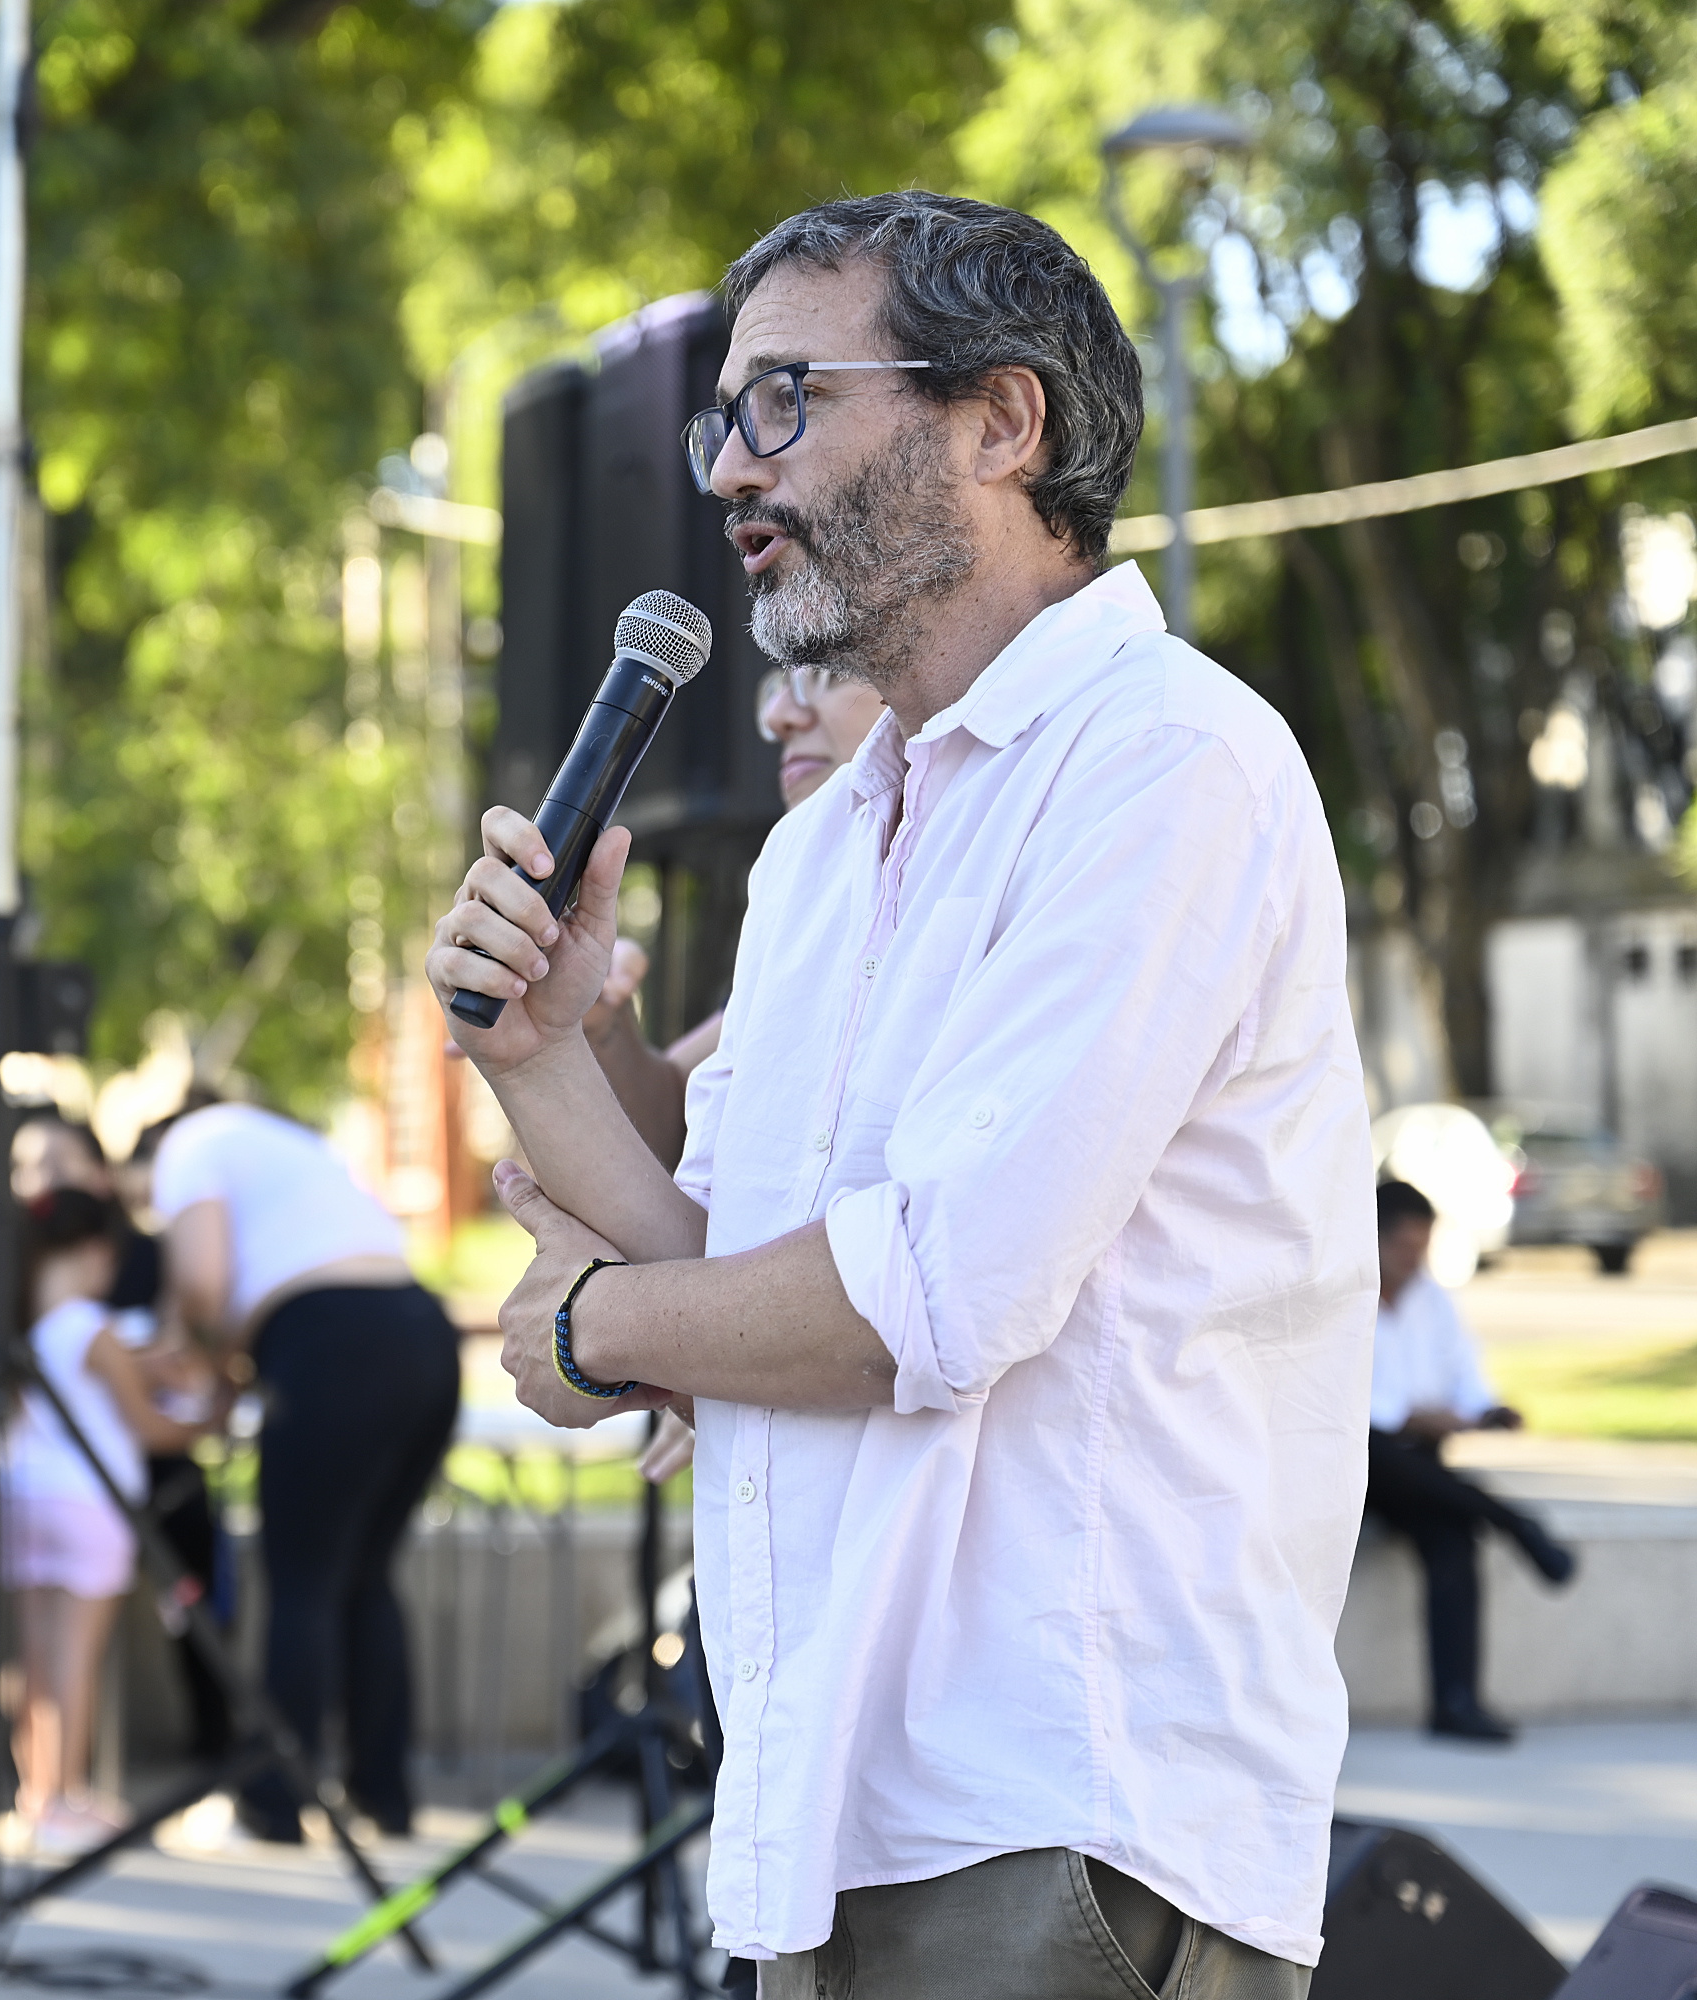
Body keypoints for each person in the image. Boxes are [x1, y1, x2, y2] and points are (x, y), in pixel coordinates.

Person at [429, 192, 1374, 1995]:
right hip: (824, 1815)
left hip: (1063, 1825)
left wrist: (595, 1333)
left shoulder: (1165, 762)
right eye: (723, 415)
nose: (726, 470)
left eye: (784, 399)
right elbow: (736, 1262)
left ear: (1001, 424)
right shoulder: (826, 852)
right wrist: (547, 1047)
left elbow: (925, 1299)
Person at [150, 1098, 461, 1845]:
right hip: (423, 1335)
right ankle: (383, 1795)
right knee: (365, 1576)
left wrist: (191, 1354)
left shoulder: (187, 1144)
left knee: (302, 1582)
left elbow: (201, 1280)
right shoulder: (288, 1141)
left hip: (333, 1344)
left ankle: (272, 1803)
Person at [587, 664, 890, 1164]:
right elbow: (674, 1123)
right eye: (776, 686)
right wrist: (597, 1021)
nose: (778, 716)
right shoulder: (800, 900)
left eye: (830, 672)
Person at [3, 1187, 224, 1850]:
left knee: (32, 1655)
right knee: (76, 1653)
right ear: (98, 1252)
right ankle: (65, 1796)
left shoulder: (24, 1327)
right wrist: (217, 1414)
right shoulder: (93, 1331)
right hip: (87, 1501)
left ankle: (35, 1794)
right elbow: (153, 1428)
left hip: (24, 1495)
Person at [1365, 1178, 1579, 1744]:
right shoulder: (1341, 1295)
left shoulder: (1431, 1298)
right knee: (1381, 1450)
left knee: (1453, 1534)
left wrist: (1488, 1409)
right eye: (1405, 1248)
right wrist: (1415, 1418)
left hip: (1421, 1469)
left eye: (1422, 1248)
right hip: (1362, 1463)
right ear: (1374, 1239)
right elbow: (1352, 1405)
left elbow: (1464, 1375)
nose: (1416, 1261)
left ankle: (1456, 1703)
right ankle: (1515, 1522)